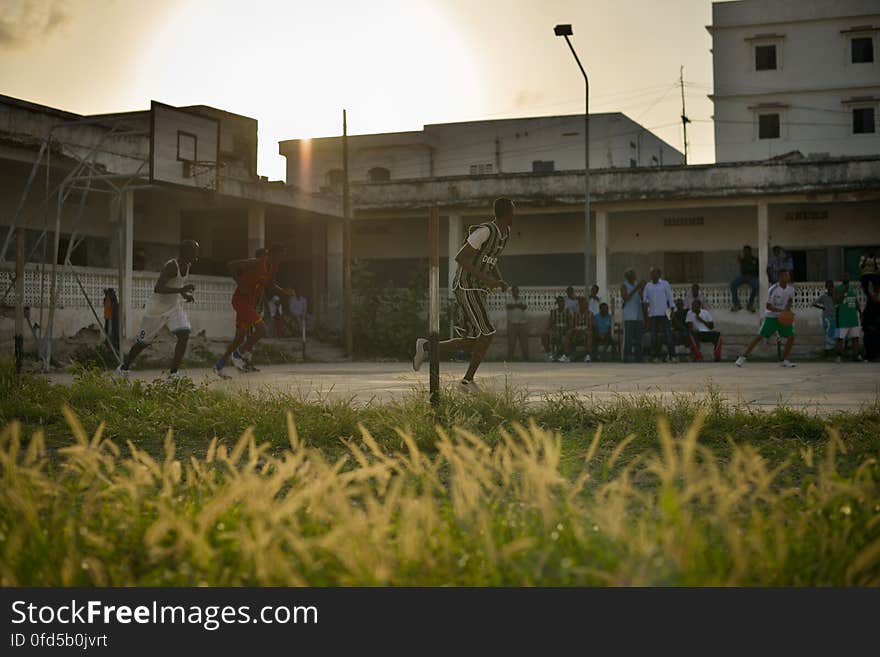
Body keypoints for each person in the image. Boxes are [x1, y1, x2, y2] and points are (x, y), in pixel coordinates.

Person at [412, 197, 513, 393]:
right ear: (508, 214)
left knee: (470, 341)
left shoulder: (505, 234)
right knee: (488, 332)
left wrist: (498, 279)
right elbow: (460, 257)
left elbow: (491, 260)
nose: (514, 216)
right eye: (513, 212)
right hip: (467, 286)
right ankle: (467, 382)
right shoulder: (485, 231)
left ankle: (426, 348)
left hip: (479, 289)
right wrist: (487, 279)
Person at [115, 240, 200, 379]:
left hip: (173, 307)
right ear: (187, 252)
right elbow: (158, 288)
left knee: (184, 334)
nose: (197, 254)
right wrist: (182, 289)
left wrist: (185, 294)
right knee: (142, 343)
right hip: (156, 309)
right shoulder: (172, 266)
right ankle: (123, 368)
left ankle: (173, 374)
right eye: (195, 251)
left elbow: (177, 284)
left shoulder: (188, 265)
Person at [214, 243, 292, 378]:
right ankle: (238, 354)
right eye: (280, 256)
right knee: (263, 330)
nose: (281, 260)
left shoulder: (273, 267)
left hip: (250, 304)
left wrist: (284, 292)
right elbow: (231, 265)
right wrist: (240, 284)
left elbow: (271, 285)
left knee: (239, 338)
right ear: (271, 254)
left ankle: (219, 366)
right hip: (240, 301)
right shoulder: (256, 263)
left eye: (283, 257)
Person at [735, 269, 796, 368]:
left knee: (791, 337)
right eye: (785, 276)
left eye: (788, 275)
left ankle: (784, 360)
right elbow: (768, 306)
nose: (788, 277)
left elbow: (789, 301)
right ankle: (742, 357)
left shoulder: (791, 289)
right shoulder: (773, 289)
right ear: (780, 277)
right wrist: (781, 311)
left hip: (783, 316)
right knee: (759, 336)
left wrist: (787, 311)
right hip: (771, 317)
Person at [643, 267, 677, 363]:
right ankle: (655, 357)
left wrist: (672, 311)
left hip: (664, 314)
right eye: (651, 273)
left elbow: (670, 298)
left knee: (668, 335)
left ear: (659, 274)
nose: (652, 275)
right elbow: (645, 301)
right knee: (653, 337)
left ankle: (672, 356)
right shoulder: (648, 286)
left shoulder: (665, 284)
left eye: (654, 273)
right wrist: (646, 316)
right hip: (653, 314)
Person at [834, 272, 863, 363]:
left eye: (847, 276)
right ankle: (838, 356)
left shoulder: (853, 288)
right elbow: (836, 300)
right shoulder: (838, 288)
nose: (846, 277)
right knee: (840, 338)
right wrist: (844, 291)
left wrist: (860, 312)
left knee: (855, 338)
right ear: (841, 278)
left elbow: (855, 300)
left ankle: (856, 356)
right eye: (844, 276)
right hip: (842, 318)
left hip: (853, 318)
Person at [620, 269, 646, 363]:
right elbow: (625, 298)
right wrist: (636, 288)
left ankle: (639, 358)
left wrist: (642, 289)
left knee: (639, 339)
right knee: (628, 339)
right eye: (634, 274)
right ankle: (626, 357)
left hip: (638, 315)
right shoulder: (624, 285)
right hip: (629, 316)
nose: (636, 276)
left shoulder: (637, 285)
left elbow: (642, 298)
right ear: (629, 276)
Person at [542, 296, 571, 362]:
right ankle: (549, 354)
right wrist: (547, 330)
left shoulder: (568, 311)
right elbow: (550, 324)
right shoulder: (553, 312)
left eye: (562, 301)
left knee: (565, 337)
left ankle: (566, 356)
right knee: (544, 335)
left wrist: (568, 331)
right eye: (559, 301)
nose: (561, 303)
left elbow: (571, 325)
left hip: (565, 331)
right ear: (557, 303)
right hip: (555, 331)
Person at [730, 245, 758, 312]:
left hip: (752, 277)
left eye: (746, 251)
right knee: (733, 284)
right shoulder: (743, 260)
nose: (745, 253)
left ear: (750, 251)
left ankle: (750, 305)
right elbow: (743, 270)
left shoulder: (754, 259)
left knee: (756, 286)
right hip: (743, 277)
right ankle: (737, 304)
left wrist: (750, 272)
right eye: (744, 251)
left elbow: (756, 269)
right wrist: (740, 261)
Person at [812, 280, 837, 354]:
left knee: (833, 333)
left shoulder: (835, 296)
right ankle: (827, 351)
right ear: (826, 287)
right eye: (829, 286)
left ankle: (832, 350)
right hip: (826, 318)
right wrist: (822, 308)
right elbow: (813, 303)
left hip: (834, 317)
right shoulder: (823, 296)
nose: (830, 288)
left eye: (831, 286)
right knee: (827, 334)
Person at [506, 285, 529, 361]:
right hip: (512, 324)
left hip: (522, 323)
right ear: (512, 291)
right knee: (511, 343)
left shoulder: (522, 298)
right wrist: (517, 305)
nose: (516, 292)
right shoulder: (509, 299)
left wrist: (517, 305)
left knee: (524, 343)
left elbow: (524, 307)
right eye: (514, 290)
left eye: (517, 290)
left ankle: (526, 359)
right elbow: (509, 306)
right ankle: (510, 359)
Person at [569, 297, 593, 363]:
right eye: (584, 303)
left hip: (585, 332)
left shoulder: (590, 314)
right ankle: (570, 355)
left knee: (589, 334)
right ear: (579, 304)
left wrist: (583, 330)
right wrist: (575, 329)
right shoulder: (574, 314)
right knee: (569, 333)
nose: (586, 305)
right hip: (576, 332)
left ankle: (588, 356)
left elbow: (590, 326)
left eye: (586, 304)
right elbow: (572, 325)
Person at [862, 282, 880, 361]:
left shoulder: (878, 305)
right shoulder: (869, 305)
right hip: (869, 328)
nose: (875, 296)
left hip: (877, 328)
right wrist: (868, 326)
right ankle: (870, 356)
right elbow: (865, 318)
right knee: (869, 336)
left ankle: (876, 355)